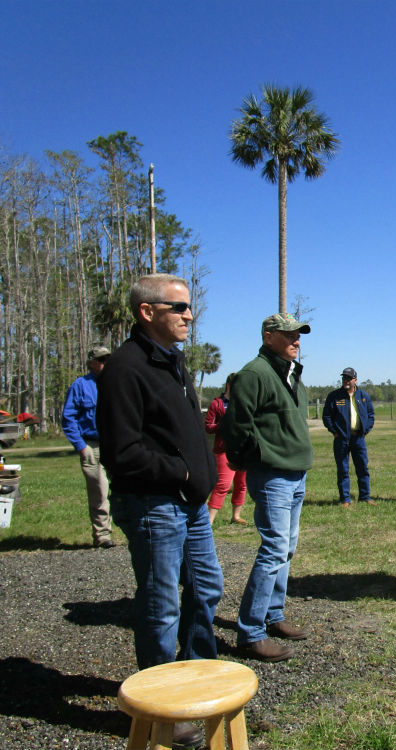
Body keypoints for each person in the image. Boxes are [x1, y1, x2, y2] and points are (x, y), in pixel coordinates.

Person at [96, 275, 222, 710]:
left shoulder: (173, 361)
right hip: (154, 505)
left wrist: (198, 474)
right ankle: (161, 704)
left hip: (187, 505)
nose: (189, 315)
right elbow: (122, 453)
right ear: (147, 312)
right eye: (179, 308)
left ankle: (200, 682)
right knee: (161, 604)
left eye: (189, 307)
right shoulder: (124, 369)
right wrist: (184, 472)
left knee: (206, 588)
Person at [221, 313, 314, 663]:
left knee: (286, 548)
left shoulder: (292, 373)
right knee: (274, 548)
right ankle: (250, 632)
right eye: (289, 335)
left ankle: (274, 616)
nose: (296, 341)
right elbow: (236, 427)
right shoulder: (254, 374)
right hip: (272, 474)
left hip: (296, 472)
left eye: (298, 335)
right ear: (268, 336)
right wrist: (255, 459)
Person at [61, 345, 114, 548]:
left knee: (122, 490)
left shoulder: (116, 383)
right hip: (91, 445)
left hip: (115, 444)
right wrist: (81, 446)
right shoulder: (80, 385)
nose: (105, 364)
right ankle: (102, 536)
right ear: (91, 363)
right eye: (101, 360)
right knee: (100, 491)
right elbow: (68, 419)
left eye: (108, 359)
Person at [322, 367, 375, 507]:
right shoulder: (334, 396)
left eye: (348, 378)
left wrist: (366, 430)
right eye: (344, 378)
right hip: (341, 439)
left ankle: (365, 496)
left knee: (363, 468)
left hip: (359, 438)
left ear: (355, 380)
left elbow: (370, 415)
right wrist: (335, 431)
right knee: (343, 469)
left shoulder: (363, 396)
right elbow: (327, 416)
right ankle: (345, 499)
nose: (345, 380)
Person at [205, 373, 247, 526]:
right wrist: (223, 425)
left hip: (242, 448)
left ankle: (236, 516)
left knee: (242, 484)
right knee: (223, 484)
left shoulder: (243, 402)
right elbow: (208, 427)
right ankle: (209, 520)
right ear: (229, 385)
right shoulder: (217, 404)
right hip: (224, 450)